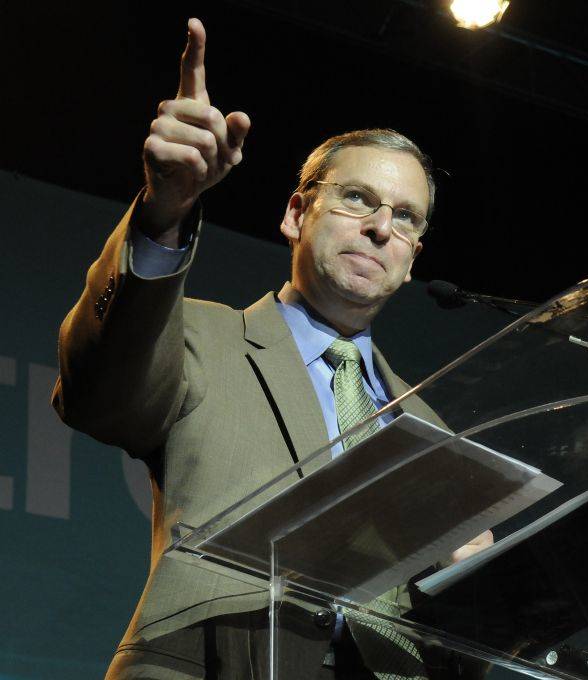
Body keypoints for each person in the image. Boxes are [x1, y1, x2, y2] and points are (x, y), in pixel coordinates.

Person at [52, 18, 491, 680]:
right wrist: (164, 209)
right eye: (357, 200)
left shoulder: (429, 429)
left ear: (413, 258)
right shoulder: (200, 337)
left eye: (405, 218)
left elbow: (460, 642)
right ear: (294, 214)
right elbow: (96, 394)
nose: (379, 228)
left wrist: (478, 589)